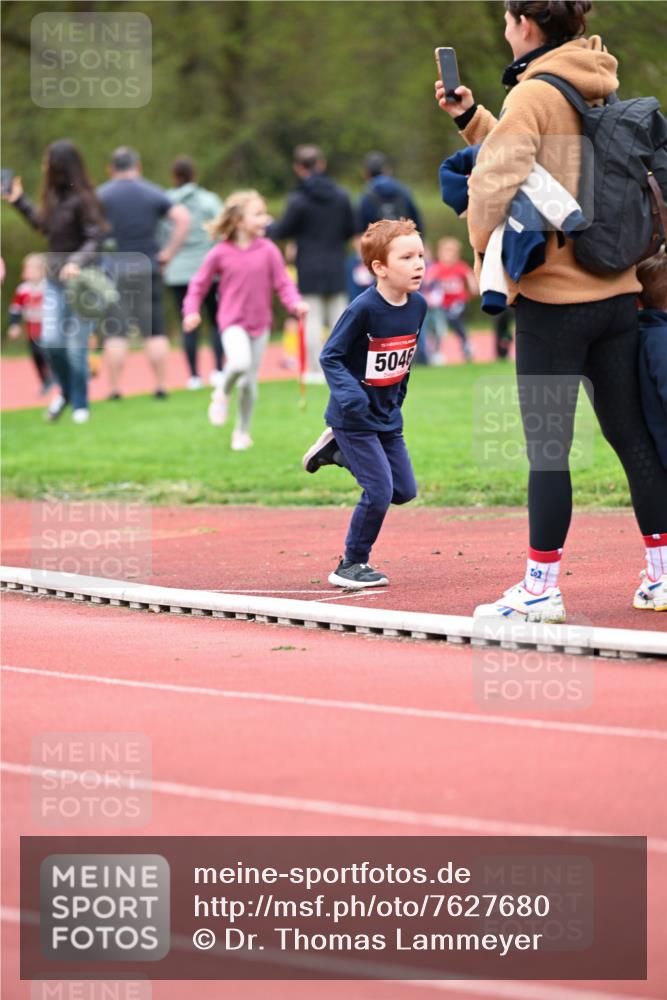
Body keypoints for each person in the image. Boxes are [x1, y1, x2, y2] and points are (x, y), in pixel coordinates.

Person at [435, 0, 667, 620]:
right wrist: (472, 118)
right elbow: (552, 163)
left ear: (525, 25)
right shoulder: (598, 76)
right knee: (632, 438)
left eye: (508, 20)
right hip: (618, 293)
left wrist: (487, 255)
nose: (505, 29)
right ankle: (662, 576)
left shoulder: (534, 94)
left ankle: (540, 590)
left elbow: (495, 184)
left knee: (547, 449)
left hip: (554, 304)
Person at [302, 219, 427, 589]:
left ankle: (335, 453)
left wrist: (397, 399)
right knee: (379, 492)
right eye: (406, 257)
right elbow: (331, 356)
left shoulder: (417, 307)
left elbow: (403, 361)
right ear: (380, 268)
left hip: (388, 415)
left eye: (421, 255)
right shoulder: (363, 309)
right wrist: (351, 396)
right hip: (353, 416)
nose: (419, 264)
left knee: (403, 491)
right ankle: (351, 563)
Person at [182, 190, 308, 451]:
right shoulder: (220, 253)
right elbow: (198, 285)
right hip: (231, 322)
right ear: (238, 221)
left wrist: (294, 303)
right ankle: (221, 392)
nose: (266, 219)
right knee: (239, 363)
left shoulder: (269, 250)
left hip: (259, 325)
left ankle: (241, 432)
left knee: (250, 385)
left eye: (265, 213)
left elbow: (284, 283)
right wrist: (191, 311)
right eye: (258, 214)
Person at [4, 140, 107, 423]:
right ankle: (67, 392)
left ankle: (80, 405)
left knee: (76, 348)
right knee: (50, 342)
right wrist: (19, 202)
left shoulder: (85, 198)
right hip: (55, 281)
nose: (43, 165)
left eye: (48, 160)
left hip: (84, 282)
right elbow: (44, 226)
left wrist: (76, 261)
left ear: (60, 165)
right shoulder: (54, 197)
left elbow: (95, 237)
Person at [97, 147, 190, 399]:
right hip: (147, 266)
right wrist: (169, 252)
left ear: (110, 168)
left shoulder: (101, 195)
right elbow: (182, 218)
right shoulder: (151, 191)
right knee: (154, 330)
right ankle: (160, 386)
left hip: (113, 268)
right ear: (137, 167)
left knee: (116, 331)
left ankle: (115, 389)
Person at [267, 145, 356, 384]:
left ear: (298, 168)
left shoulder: (298, 199)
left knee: (312, 319)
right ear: (322, 164)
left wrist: (266, 225)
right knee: (339, 318)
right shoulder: (341, 195)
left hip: (308, 265)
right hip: (336, 262)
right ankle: (343, 367)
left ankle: (316, 371)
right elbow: (351, 229)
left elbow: (283, 229)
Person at [161, 156, 224, 389]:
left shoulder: (166, 202)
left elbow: (161, 234)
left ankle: (194, 376)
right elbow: (221, 229)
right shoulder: (209, 200)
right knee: (217, 320)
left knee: (187, 322)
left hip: (179, 271)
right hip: (210, 270)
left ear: (174, 176)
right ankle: (219, 369)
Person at [422, 237, 478, 363]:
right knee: (438, 327)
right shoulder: (437, 267)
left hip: (459, 302)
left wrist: (473, 288)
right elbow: (426, 282)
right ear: (440, 253)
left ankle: (466, 343)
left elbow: (472, 282)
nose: (449, 256)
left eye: (452, 253)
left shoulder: (460, 267)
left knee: (452, 317)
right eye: (446, 252)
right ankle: (436, 351)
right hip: (442, 305)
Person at [7, 253, 53, 394]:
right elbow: (16, 309)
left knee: (48, 353)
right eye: (26, 268)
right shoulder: (23, 289)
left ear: (42, 270)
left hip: (48, 329)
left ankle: (56, 377)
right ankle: (45, 381)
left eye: (31, 268)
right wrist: (14, 325)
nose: (27, 271)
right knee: (36, 356)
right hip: (32, 330)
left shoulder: (50, 288)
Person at [358, 151, 424, 232]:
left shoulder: (365, 197)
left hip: (378, 244)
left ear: (366, 173)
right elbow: (418, 224)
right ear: (387, 170)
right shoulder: (404, 191)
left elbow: (359, 231)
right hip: (404, 243)